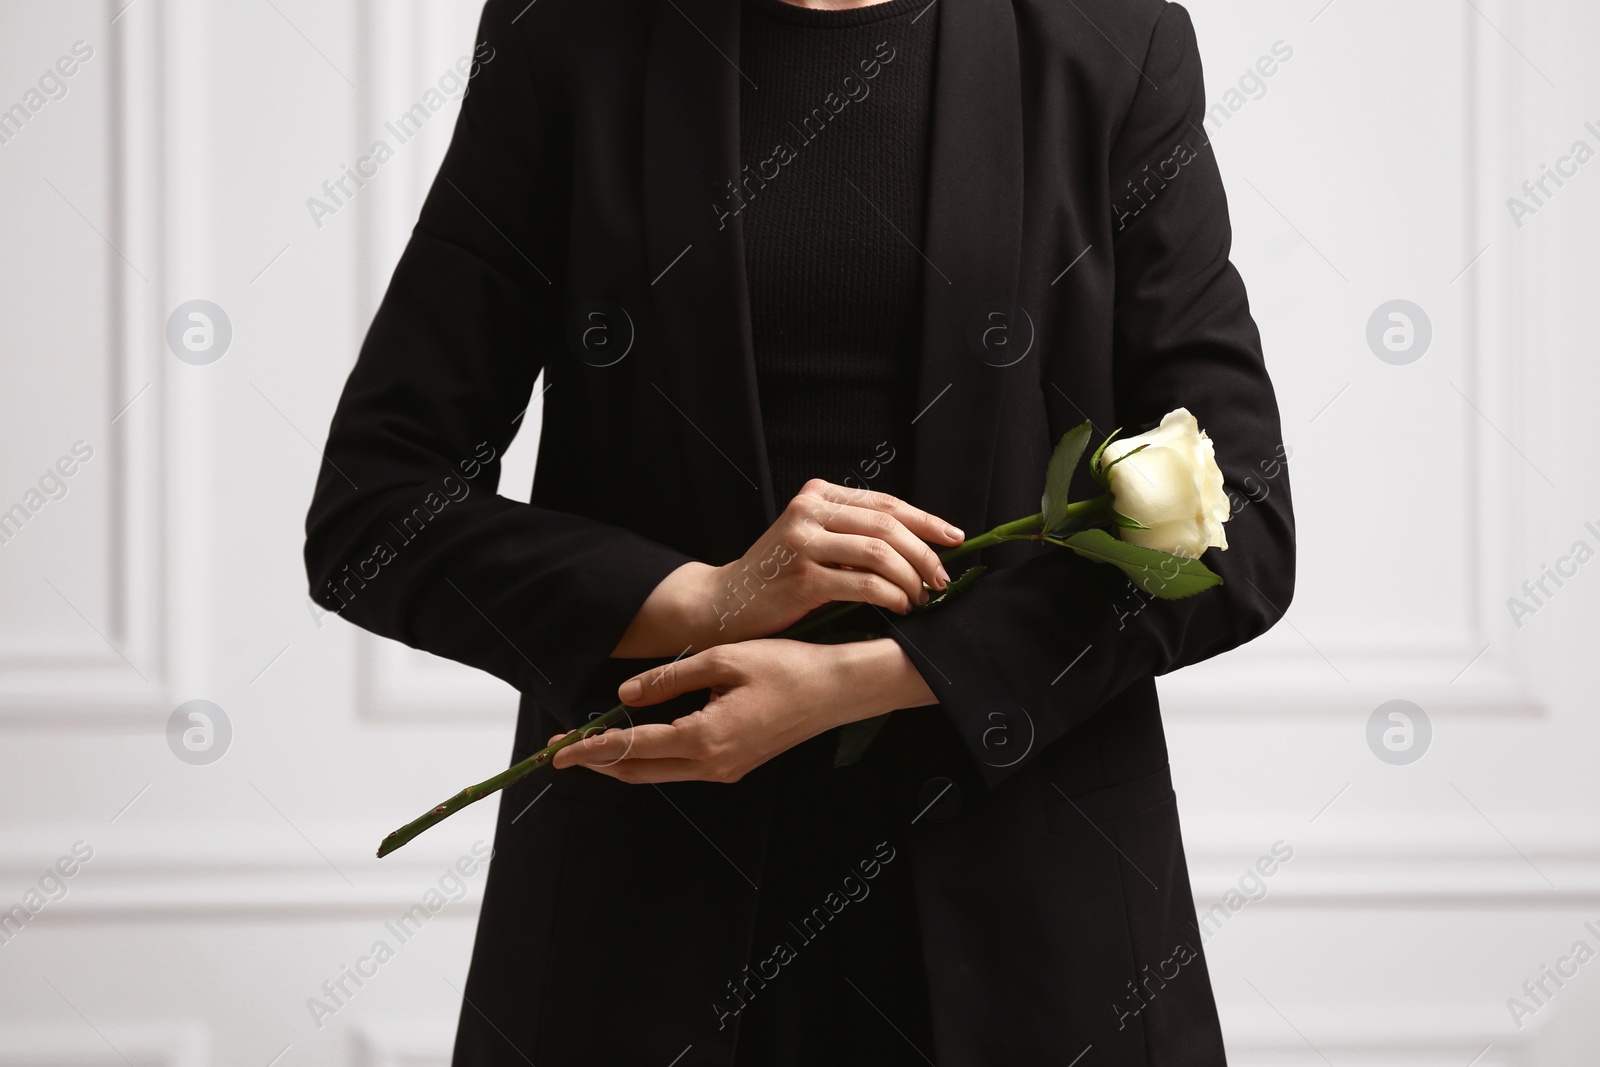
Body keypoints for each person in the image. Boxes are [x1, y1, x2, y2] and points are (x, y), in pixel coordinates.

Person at [303, 0, 1296, 1062]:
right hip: (643, 933)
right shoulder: (569, 37)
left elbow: (1243, 521)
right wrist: (705, 599)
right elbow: (375, 507)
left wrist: (870, 677)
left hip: (1037, 934)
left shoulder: (1109, 40)